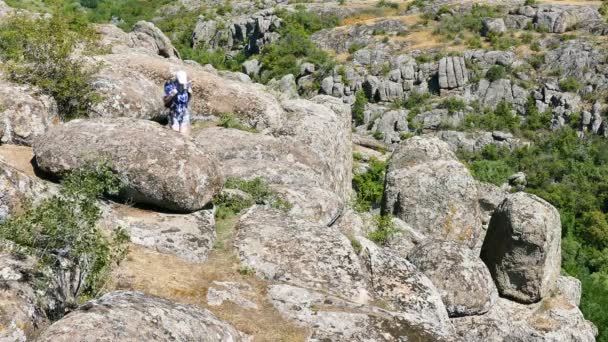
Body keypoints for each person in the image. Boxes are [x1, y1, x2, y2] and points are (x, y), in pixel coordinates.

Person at [164, 70, 193, 136]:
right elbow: (165, 102)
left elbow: (187, 101)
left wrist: (190, 94)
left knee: (184, 135)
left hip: (184, 113)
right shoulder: (170, 86)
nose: (182, 85)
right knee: (175, 134)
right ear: (176, 80)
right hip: (174, 114)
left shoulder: (187, 85)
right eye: (180, 83)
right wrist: (171, 95)